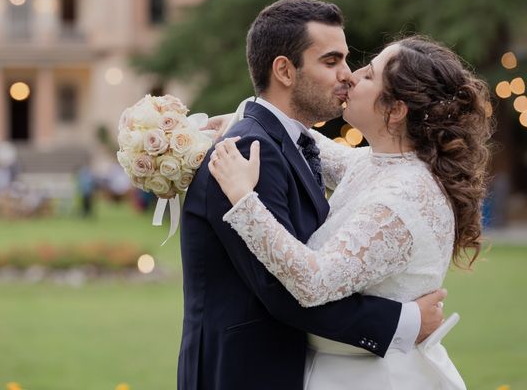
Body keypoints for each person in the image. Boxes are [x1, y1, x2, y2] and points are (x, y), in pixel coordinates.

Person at [178, 0, 446, 390]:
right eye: (331, 61)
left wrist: (242, 114)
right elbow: (283, 289)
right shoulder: (252, 153)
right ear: (284, 71)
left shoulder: (293, 142)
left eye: (348, 61)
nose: (348, 76)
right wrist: (403, 322)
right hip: (246, 372)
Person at [208, 35, 492, 389]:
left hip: (373, 377)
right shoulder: (381, 162)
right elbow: (309, 145)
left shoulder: (402, 198)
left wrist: (243, 199)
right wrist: (243, 121)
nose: (352, 76)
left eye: (370, 75)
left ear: (396, 110)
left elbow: (313, 282)